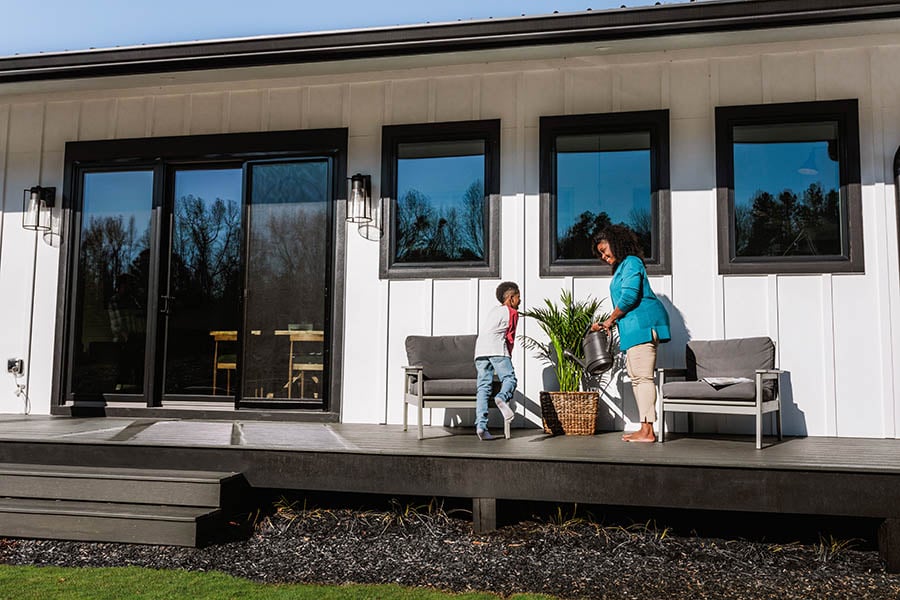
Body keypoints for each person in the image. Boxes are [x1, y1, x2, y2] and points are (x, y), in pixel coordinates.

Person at [592, 226, 670, 442]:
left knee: (643, 377)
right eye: (601, 254)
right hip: (632, 329)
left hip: (643, 325)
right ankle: (645, 429)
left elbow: (629, 297)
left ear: (617, 244)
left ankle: (648, 431)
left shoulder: (632, 262)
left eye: (606, 251)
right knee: (637, 378)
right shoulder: (621, 267)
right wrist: (607, 323)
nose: (604, 257)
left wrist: (610, 320)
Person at [473, 281, 520, 440]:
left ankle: (481, 427)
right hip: (496, 348)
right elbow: (510, 338)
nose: (520, 301)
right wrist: (508, 355)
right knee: (509, 379)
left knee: (483, 388)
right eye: (518, 298)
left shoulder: (494, 311)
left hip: (479, 350)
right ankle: (502, 397)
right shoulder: (512, 312)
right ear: (511, 298)